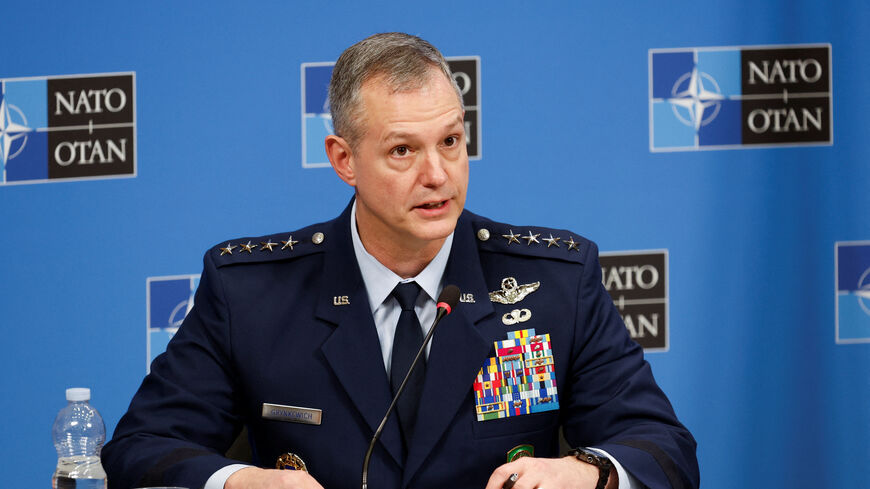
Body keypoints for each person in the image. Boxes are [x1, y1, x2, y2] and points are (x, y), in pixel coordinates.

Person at [103, 32, 699, 489]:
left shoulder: (555, 284)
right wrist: (240, 482)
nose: (437, 174)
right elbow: (141, 447)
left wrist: (590, 472)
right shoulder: (251, 294)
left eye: (450, 141)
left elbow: (663, 448)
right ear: (344, 159)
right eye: (402, 150)